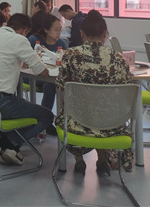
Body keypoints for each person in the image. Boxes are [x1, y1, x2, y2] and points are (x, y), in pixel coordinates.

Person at [55, 10, 134, 174]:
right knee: (101, 111)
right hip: (110, 124)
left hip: (77, 122)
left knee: (75, 109)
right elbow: (126, 92)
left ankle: (79, 160)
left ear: (82, 33)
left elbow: (62, 86)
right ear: (105, 34)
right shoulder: (118, 59)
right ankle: (103, 159)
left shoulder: (70, 55)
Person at [0, 13, 53, 165]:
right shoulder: (19, 40)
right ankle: (9, 143)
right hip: (1, 104)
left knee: (25, 105)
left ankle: (2, 140)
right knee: (47, 115)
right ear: (24, 31)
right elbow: (42, 71)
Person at [27, 13, 68, 117]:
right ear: (46, 30)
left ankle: (47, 116)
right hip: (33, 75)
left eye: (60, 29)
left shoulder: (61, 43)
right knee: (50, 85)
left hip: (52, 77)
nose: (59, 33)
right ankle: (45, 116)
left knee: (50, 85)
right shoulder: (34, 40)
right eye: (56, 30)